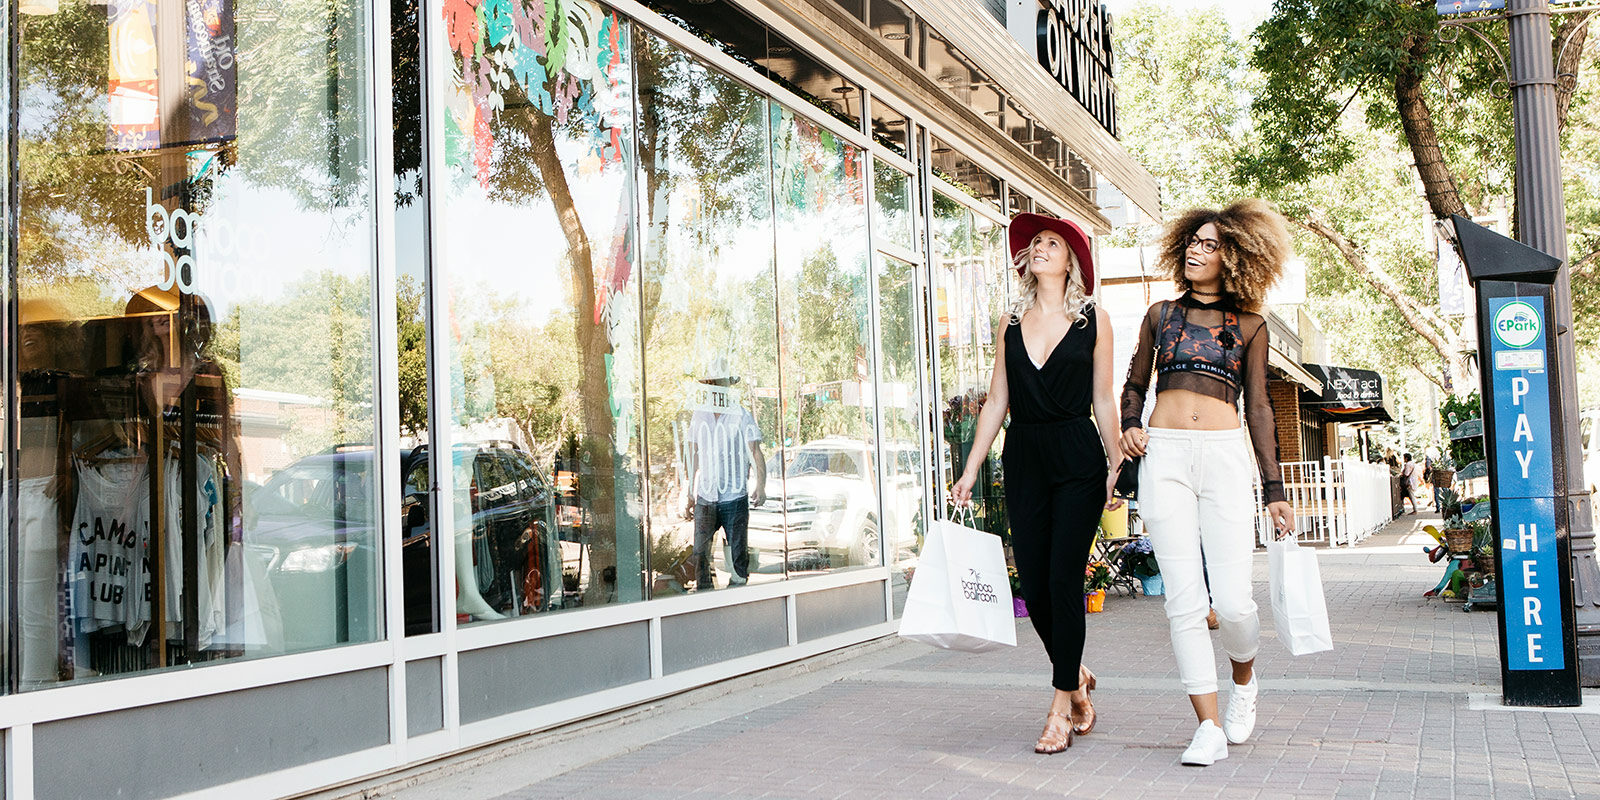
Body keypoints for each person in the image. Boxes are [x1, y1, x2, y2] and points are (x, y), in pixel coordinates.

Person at [1118, 199, 1296, 767]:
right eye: (1192, 242)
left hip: (1223, 458)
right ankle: (1209, 727)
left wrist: (1274, 489)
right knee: (1184, 603)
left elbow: (1262, 407)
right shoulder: (1159, 315)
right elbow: (1134, 385)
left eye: (1210, 244)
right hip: (1164, 458)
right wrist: (1128, 427)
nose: (1197, 251)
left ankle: (1244, 680)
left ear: (1237, 255)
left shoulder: (1249, 326)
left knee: (1235, 602)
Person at [952, 212, 1122, 755]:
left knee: (1064, 580)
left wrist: (1117, 460)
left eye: (1054, 242)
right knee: (1036, 585)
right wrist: (972, 466)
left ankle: (1059, 710)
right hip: (1023, 457)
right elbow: (997, 400)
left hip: (1077, 457)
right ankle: (1077, 676)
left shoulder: (1094, 319)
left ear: (1072, 258)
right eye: (1037, 243)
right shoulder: (1010, 321)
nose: (1042, 248)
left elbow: (1103, 400)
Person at [682, 359, 765, 590]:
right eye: (712, 383)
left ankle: (736, 600)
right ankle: (705, 596)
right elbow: (692, 455)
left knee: (737, 555)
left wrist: (761, 484)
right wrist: (688, 491)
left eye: (719, 382)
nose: (715, 387)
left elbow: (755, 451)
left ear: (728, 385)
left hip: (734, 496)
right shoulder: (700, 416)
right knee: (700, 553)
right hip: (707, 495)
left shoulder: (741, 414)